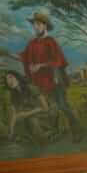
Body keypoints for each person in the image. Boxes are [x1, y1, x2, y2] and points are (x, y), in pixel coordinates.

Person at [17, 12, 80, 141]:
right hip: (42, 82)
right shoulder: (32, 43)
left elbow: (58, 61)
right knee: (51, 107)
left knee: (63, 105)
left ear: (45, 26)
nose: (35, 27)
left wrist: (40, 65)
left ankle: (78, 132)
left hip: (55, 79)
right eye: (34, 25)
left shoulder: (51, 41)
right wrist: (5, 54)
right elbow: (24, 56)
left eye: (38, 24)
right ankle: (55, 132)